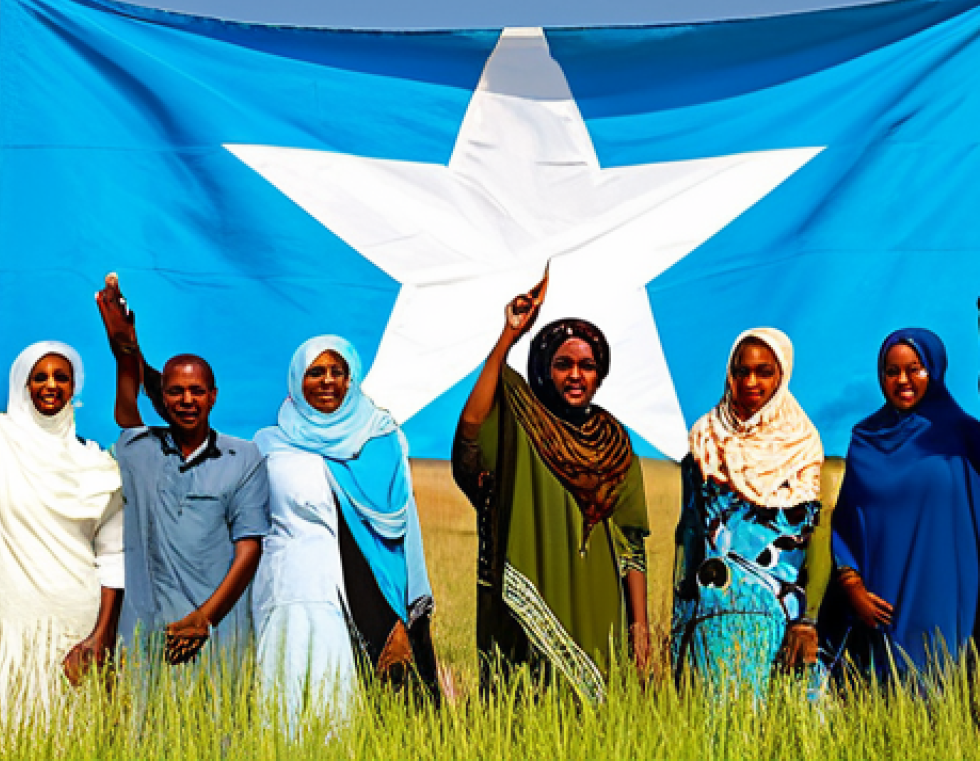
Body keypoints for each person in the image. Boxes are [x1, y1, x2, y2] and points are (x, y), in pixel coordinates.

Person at [451, 274, 650, 705]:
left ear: (600, 374)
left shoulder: (616, 444)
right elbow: (471, 431)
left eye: (587, 365)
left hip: (600, 605)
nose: (576, 375)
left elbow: (632, 543)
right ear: (543, 367)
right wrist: (509, 336)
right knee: (527, 714)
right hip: (530, 593)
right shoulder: (522, 422)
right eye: (563, 364)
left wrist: (640, 627)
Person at [252, 335, 438, 721]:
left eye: (338, 371)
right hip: (317, 597)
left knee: (401, 718)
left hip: (388, 596)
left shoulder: (383, 438)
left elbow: (406, 530)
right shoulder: (275, 444)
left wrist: (398, 616)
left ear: (351, 378)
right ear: (296, 381)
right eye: (315, 372)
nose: (327, 381)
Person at [96, 274, 269, 666]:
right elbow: (127, 410)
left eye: (196, 391)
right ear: (164, 397)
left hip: (217, 634)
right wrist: (126, 348)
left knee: (216, 724)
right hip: (147, 633)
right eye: (175, 391)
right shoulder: (141, 450)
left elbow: (249, 548)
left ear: (213, 397)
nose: (186, 400)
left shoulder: (243, 458)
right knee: (146, 725)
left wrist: (204, 619)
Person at [0, 343, 124, 706]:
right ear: (24, 385)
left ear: (73, 387)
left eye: (61, 378)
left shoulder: (96, 464)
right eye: (40, 377)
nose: (50, 385)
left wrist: (100, 636)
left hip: (70, 622)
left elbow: (114, 557)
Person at [671, 328, 827, 695]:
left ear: (782, 374)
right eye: (741, 371)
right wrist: (679, 629)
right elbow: (689, 538)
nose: (751, 381)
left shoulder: (802, 446)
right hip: (715, 618)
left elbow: (816, 540)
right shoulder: (705, 441)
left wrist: (807, 621)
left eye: (764, 371)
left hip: (783, 622)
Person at [824, 328, 980, 683]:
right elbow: (846, 524)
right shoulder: (864, 441)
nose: (903, 380)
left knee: (945, 696)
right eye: (891, 371)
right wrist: (852, 588)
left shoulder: (964, 437)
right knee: (884, 701)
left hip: (949, 597)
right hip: (880, 608)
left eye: (915, 369)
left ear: (935, 370)